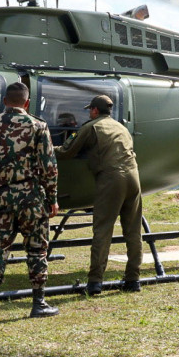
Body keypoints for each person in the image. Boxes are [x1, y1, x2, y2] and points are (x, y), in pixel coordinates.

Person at [0, 82, 60, 324]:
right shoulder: (38, 126)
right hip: (32, 199)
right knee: (37, 250)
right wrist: (52, 199)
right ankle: (38, 303)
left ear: (5, 101)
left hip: (1, 197)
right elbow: (49, 167)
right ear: (27, 103)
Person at [55, 94, 143, 295]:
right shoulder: (121, 127)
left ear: (94, 110)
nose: (89, 113)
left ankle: (95, 282)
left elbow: (66, 152)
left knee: (102, 229)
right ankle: (133, 279)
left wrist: (44, 148)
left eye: (90, 110)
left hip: (112, 179)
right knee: (133, 231)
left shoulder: (91, 127)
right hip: (133, 177)